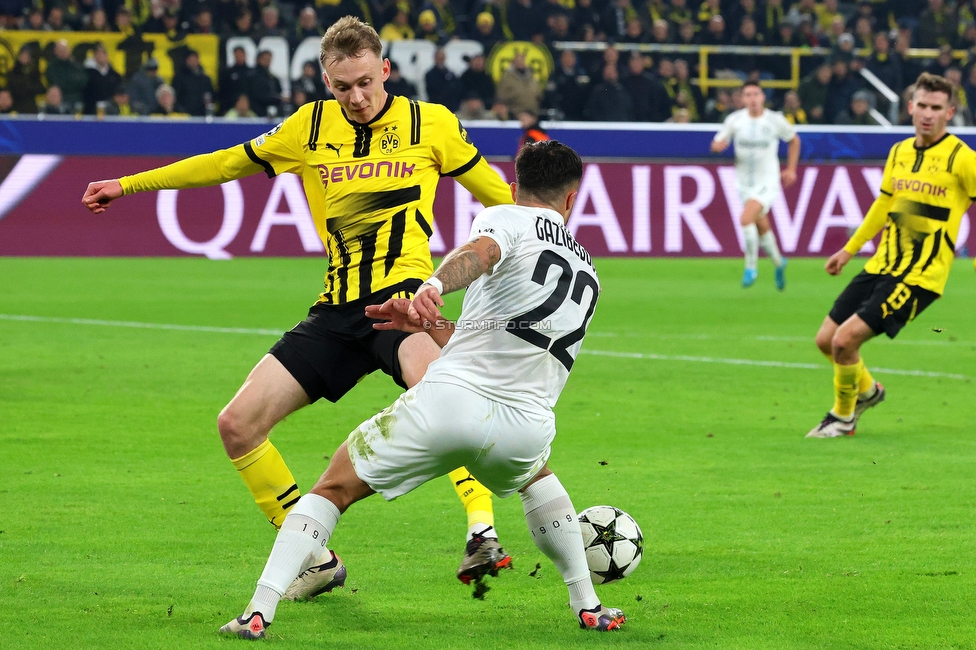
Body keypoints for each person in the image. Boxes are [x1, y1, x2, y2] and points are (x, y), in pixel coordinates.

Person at [81, 16, 514, 599]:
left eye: (365, 82)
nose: (356, 98)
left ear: (385, 69)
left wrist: (548, 245)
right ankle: (312, 557)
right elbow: (223, 164)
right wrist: (128, 185)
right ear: (325, 82)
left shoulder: (429, 124)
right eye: (343, 87)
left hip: (404, 301)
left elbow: (503, 204)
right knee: (237, 425)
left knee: (442, 400)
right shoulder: (308, 128)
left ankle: (481, 530)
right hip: (336, 311)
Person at [218, 140, 625, 639]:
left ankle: (258, 611)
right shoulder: (589, 273)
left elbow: (481, 253)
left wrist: (430, 288)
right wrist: (421, 324)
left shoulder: (508, 218)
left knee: (333, 489)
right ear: (571, 199)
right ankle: (588, 604)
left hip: (450, 403)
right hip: (526, 426)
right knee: (538, 477)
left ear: (515, 186)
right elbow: (497, 342)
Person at [807, 73, 976, 438]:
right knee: (826, 339)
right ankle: (867, 391)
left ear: (950, 112)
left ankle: (843, 417)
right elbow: (885, 203)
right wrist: (849, 249)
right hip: (883, 263)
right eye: (922, 106)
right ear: (910, 107)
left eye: (936, 108)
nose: (927, 114)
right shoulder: (899, 152)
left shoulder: (963, 159)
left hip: (920, 276)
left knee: (844, 341)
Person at [711, 81, 800, 289]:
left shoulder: (775, 120)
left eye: (756, 94)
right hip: (743, 183)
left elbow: (794, 140)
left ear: (763, 97)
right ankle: (779, 263)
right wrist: (717, 147)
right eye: (748, 95)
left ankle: (751, 266)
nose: (752, 99)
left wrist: (792, 169)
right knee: (760, 225)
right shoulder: (734, 120)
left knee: (745, 219)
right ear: (742, 99)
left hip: (768, 182)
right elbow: (716, 142)